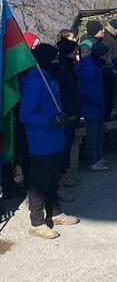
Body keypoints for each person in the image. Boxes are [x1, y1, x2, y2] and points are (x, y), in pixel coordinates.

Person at [19, 44, 79, 239]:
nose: (57, 62)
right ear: (44, 60)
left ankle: (54, 211)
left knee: (54, 178)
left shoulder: (50, 79)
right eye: (54, 59)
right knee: (39, 182)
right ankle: (37, 222)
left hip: (55, 139)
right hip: (41, 142)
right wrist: (49, 120)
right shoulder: (35, 82)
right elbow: (25, 114)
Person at [54, 38, 81, 200]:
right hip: (67, 112)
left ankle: (66, 172)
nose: (76, 54)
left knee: (69, 143)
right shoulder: (62, 70)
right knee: (65, 145)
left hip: (73, 110)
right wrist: (69, 111)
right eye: (74, 51)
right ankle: (62, 176)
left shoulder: (69, 66)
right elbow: (64, 93)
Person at [77, 42, 109, 172]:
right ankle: (93, 160)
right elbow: (86, 90)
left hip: (97, 105)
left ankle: (98, 156)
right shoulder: (90, 69)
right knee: (93, 135)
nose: (107, 57)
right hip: (91, 107)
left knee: (100, 132)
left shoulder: (95, 66)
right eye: (106, 54)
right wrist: (96, 100)